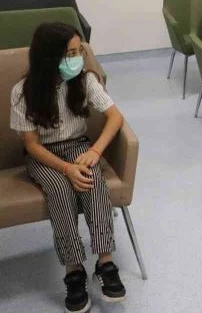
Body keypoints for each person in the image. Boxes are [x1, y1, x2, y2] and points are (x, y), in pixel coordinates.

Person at [10, 23, 127, 312]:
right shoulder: (23, 92)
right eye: (69, 54)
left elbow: (115, 117)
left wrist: (95, 152)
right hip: (44, 155)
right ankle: (74, 270)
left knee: (92, 181)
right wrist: (65, 169)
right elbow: (32, 145)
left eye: (78, 52)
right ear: (48, 57)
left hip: (79, 146)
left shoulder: (85, 81)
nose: (75, 59)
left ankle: (105, 262)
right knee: (60, 191)